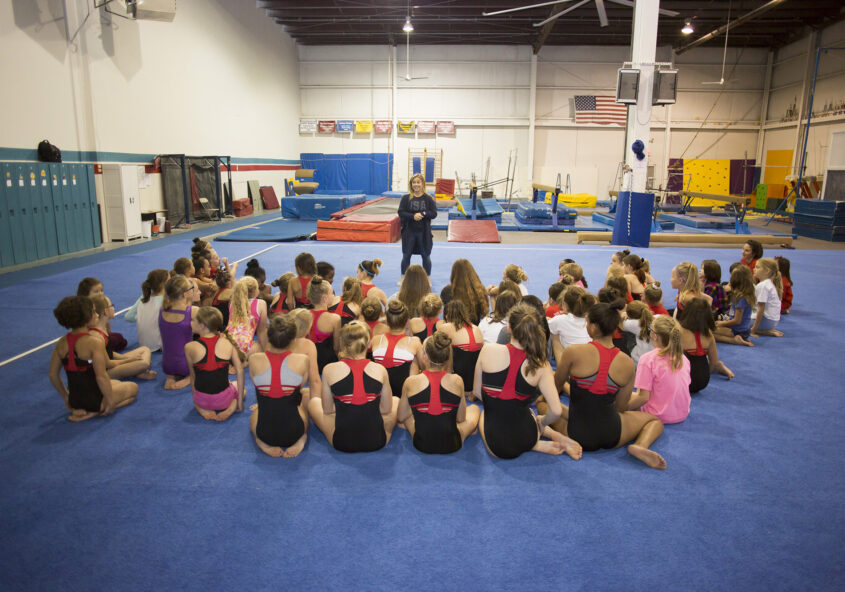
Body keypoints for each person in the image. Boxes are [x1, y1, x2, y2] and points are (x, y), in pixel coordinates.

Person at [552, 301, 667, 469]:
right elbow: (621, 407)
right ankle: (641, 446)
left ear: (593, 327)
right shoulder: (627, 362)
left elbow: (555, 389)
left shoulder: (573, 352)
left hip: (576, 433)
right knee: (654, 421)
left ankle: (561, 435)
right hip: (613, 434)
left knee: (544, 404)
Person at [475, 303, 582, 459]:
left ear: (509, 328)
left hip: (497, 445)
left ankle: (537, 443)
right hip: (528, 435)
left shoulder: (487, 350)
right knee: (528, 412)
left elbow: (477, 392)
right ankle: (545, 438)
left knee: (485, 413)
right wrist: (543, 422)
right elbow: (556, 411)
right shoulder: (542, 365)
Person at [308, 321, 399, 452]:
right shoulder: (380, 370)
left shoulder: (328, 369)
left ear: (342, 344)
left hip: (342, 442)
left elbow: (327, 410)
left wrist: (346, 404)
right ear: (369, 344)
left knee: (314, 402)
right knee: (395, 400)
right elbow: (386, 409)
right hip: (377, 441)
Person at [49, 296, 138, 421]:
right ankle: (97, 410)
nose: (97, 315)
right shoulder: (94, 342)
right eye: (94, 311)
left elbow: (53, 374)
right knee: (133, 389)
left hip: (75, 401)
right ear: (86, 317)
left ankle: (85, 410)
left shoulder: (61, 342)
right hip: (95, 400)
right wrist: (110, 401)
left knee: (116, 383)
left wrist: (66, 396)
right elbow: (101, 376)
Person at [398, 331, 480, 454]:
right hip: (452, 444)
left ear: (425, 358)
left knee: (406, 414)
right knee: (474, 409)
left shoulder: (410, 381)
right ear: (447, 358)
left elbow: (401, 417)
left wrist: (418, 409)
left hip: (421, 443)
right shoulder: (457, 380)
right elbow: (461, 418)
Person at [249, 314, 311, 458]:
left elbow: (256, 384)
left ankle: (260, 442)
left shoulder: (253, 359)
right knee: (303, 404)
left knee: (256, 413)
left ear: (268, 337)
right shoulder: (303, 360)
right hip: (294, 432)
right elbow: (299, 388)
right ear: (293, 340)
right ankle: (302, 439)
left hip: (265, 433)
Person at [627, 315, 691, 424]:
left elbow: (643, 398)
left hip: (656, 415)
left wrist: (621, 408)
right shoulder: (683, 358)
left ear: (654, 335)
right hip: (682, 413)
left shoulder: (648, 359)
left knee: (624, 395)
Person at [185, 307, 245, 421]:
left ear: (202, 326)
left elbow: (193, 376)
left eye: (192, 320)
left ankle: (200, 408)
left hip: (201, 400)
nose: (190, 322)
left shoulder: (189, 347)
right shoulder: (227, 343)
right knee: (238, 387)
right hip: (223, 401)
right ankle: (231, 407)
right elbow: (240, 371)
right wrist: (240, 403)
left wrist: (196, 401)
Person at [89, 294, 155, 381]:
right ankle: (139, 371)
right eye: (112, 306)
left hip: (111, 362)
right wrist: (129, 360)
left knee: (145, 349)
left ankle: (138, 371)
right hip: (106, 371)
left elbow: (110, 353)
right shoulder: (98, 335)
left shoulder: (104, 328)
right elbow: (107, 363)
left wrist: (125, 357)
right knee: (144, 364)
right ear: (105, 311)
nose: (113, 308)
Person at [678, 298, 734, 393]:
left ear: (686, 313)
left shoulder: (679, 331)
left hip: (684, 382)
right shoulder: (709, 334)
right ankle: (720, 367)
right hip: (703, 381)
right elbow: (713, 363)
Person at [372, 300, 422, 399]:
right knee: (415, 361)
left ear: (387, 322)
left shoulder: (376, 340)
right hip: (404, 394)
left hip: (380, 394)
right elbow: (425, 366)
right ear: (407, 322)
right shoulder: (414, 342)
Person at [159, 275, 198, 389]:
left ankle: (170, 377)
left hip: (167, 365)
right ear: (185, 294)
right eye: (191, 288)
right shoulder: (193, 311)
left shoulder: (162, 310)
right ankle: (190, 377)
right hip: (187, 365)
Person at [440, 300, 483, 397]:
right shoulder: (477, 328)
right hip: (476, 385)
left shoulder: (445, 327)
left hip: (457, 384)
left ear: (447, 315)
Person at [398, 173, 437, 275]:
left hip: (424, 233)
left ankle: (427, 278)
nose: (416, 184)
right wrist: (413, 216)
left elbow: (434, 213)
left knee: (426, 256)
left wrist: (423, 214)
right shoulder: (406, 198)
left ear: (422, 183)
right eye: (414, 182)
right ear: (411, 184)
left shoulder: (428, 198)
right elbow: (401, 212)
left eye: (418, 182)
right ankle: (403, 278)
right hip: (409, 232)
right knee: (406, 256)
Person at [76, 277, 126, 352]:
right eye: (96, 292)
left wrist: (108, 334)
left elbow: (106, 323)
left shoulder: (102, 301)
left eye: (101, 291)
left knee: (119, 338)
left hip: (100, 335)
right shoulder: (84, 310)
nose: (100, 294)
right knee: (119, 339)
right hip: (90, 338)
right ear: (85, 295)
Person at [125, 268, 169, 351]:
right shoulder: (166, 299)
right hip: (160, 344)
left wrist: (144, 317)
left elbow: (128, 317)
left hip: (143, 344)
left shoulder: (144, 297)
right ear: (163, 284)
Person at [549, 285, 595, 363]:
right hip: (591, 362)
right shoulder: (590, 320)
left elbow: (544, 324)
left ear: (565, 305)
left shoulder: (559, 320)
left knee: (551, 335)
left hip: (570, 365)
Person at [226, 276, 269, 360]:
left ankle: (234, 361)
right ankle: (242, 362)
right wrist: (266, 351)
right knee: (259, 346)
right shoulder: (261, 304)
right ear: (255, 291)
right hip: (243, 348)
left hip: (226, 344)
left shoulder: (232, 302)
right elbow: (261, 331)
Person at [306, 276, 341, 373]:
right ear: (325, 298)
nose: (333, 295)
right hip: (327, 365)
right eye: (332, 293)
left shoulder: (303, 315)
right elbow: (336, 348)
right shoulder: (335, 319)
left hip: (308, 364)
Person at [715, 266, 755, 347]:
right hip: (744, 330)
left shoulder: (740, 298)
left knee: (708, 332)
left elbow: (737, 320)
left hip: (738, 330)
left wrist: (722, 323)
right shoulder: (746, 295)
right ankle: (742, 338)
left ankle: (734, 340)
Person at [288, 308, 321, 400]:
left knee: (306, 391)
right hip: (290, 394)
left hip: (271, 392)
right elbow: (314, 380)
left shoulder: (277, 339)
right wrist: (317, 403)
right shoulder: (308, 345)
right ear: (307, 329)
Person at [448, 258, 489, 325]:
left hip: (454, 328)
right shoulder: (479, 290)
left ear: (453, 273)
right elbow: (484, 311)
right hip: (474, 328)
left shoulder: (449, 291)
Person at [750, 257, 784, 338]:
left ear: (767, 271)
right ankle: (766, 330)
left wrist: (753, 330)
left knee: (738, 320)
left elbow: (761, 309)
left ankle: (762, 331)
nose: (754, 269)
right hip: (772, 322)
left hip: (766, 321)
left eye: (757, 267)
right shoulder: (768, 283)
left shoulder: (763, 286)